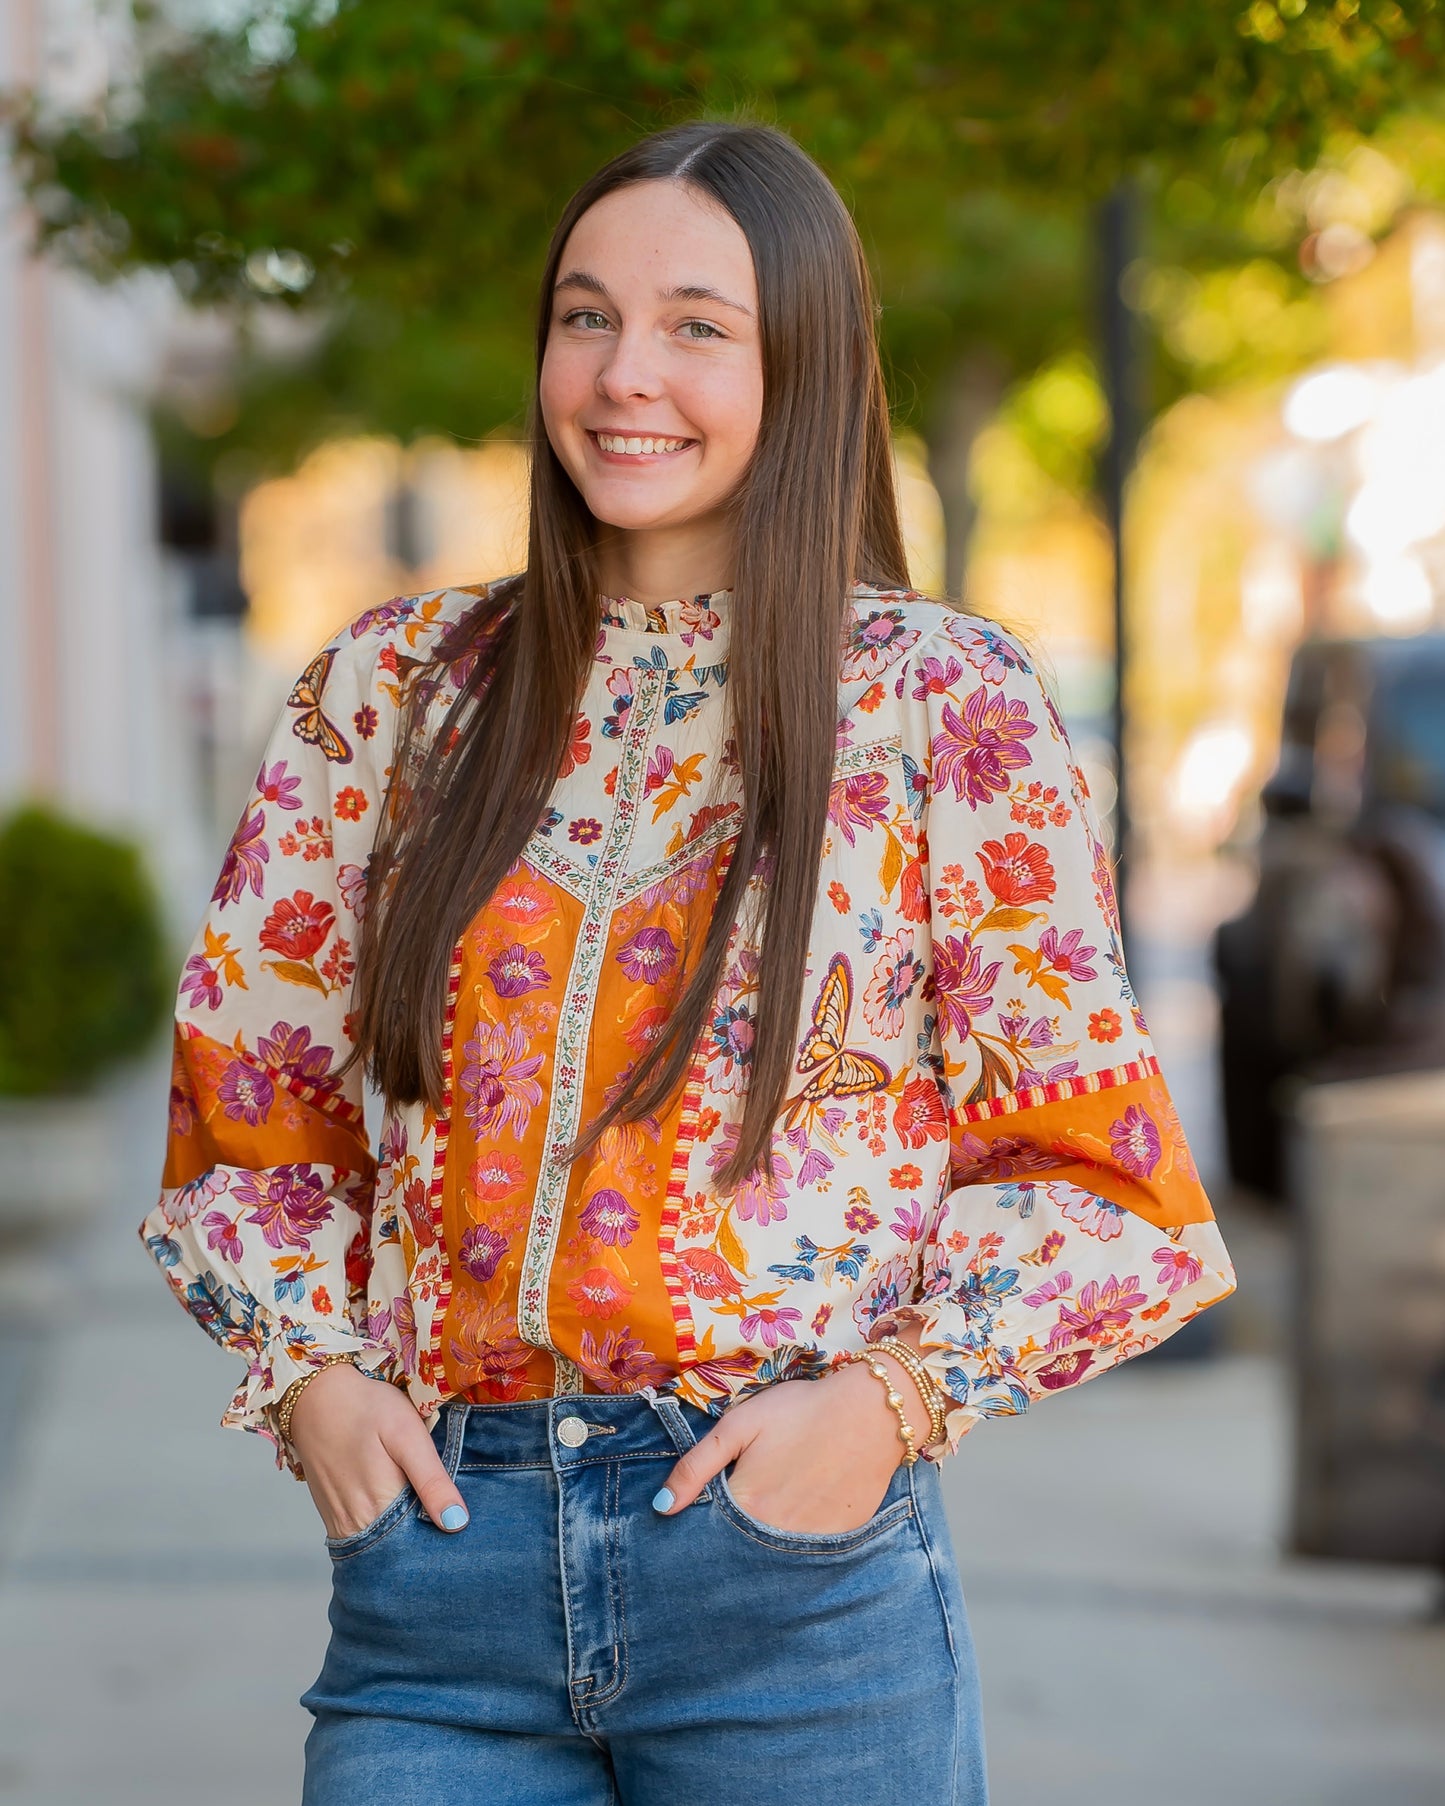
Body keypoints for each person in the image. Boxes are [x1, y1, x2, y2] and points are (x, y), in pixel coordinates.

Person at [143, 120, 1235, 1805]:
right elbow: (251, 1094)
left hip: (791, 1594)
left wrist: (884, 1405)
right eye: (585, 316)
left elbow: (1098, 1164)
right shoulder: (394, 690)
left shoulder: (942, 703)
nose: (622, 373)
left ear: (804, 362)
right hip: (439, 1585)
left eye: (695, 326)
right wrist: (316, 1382)